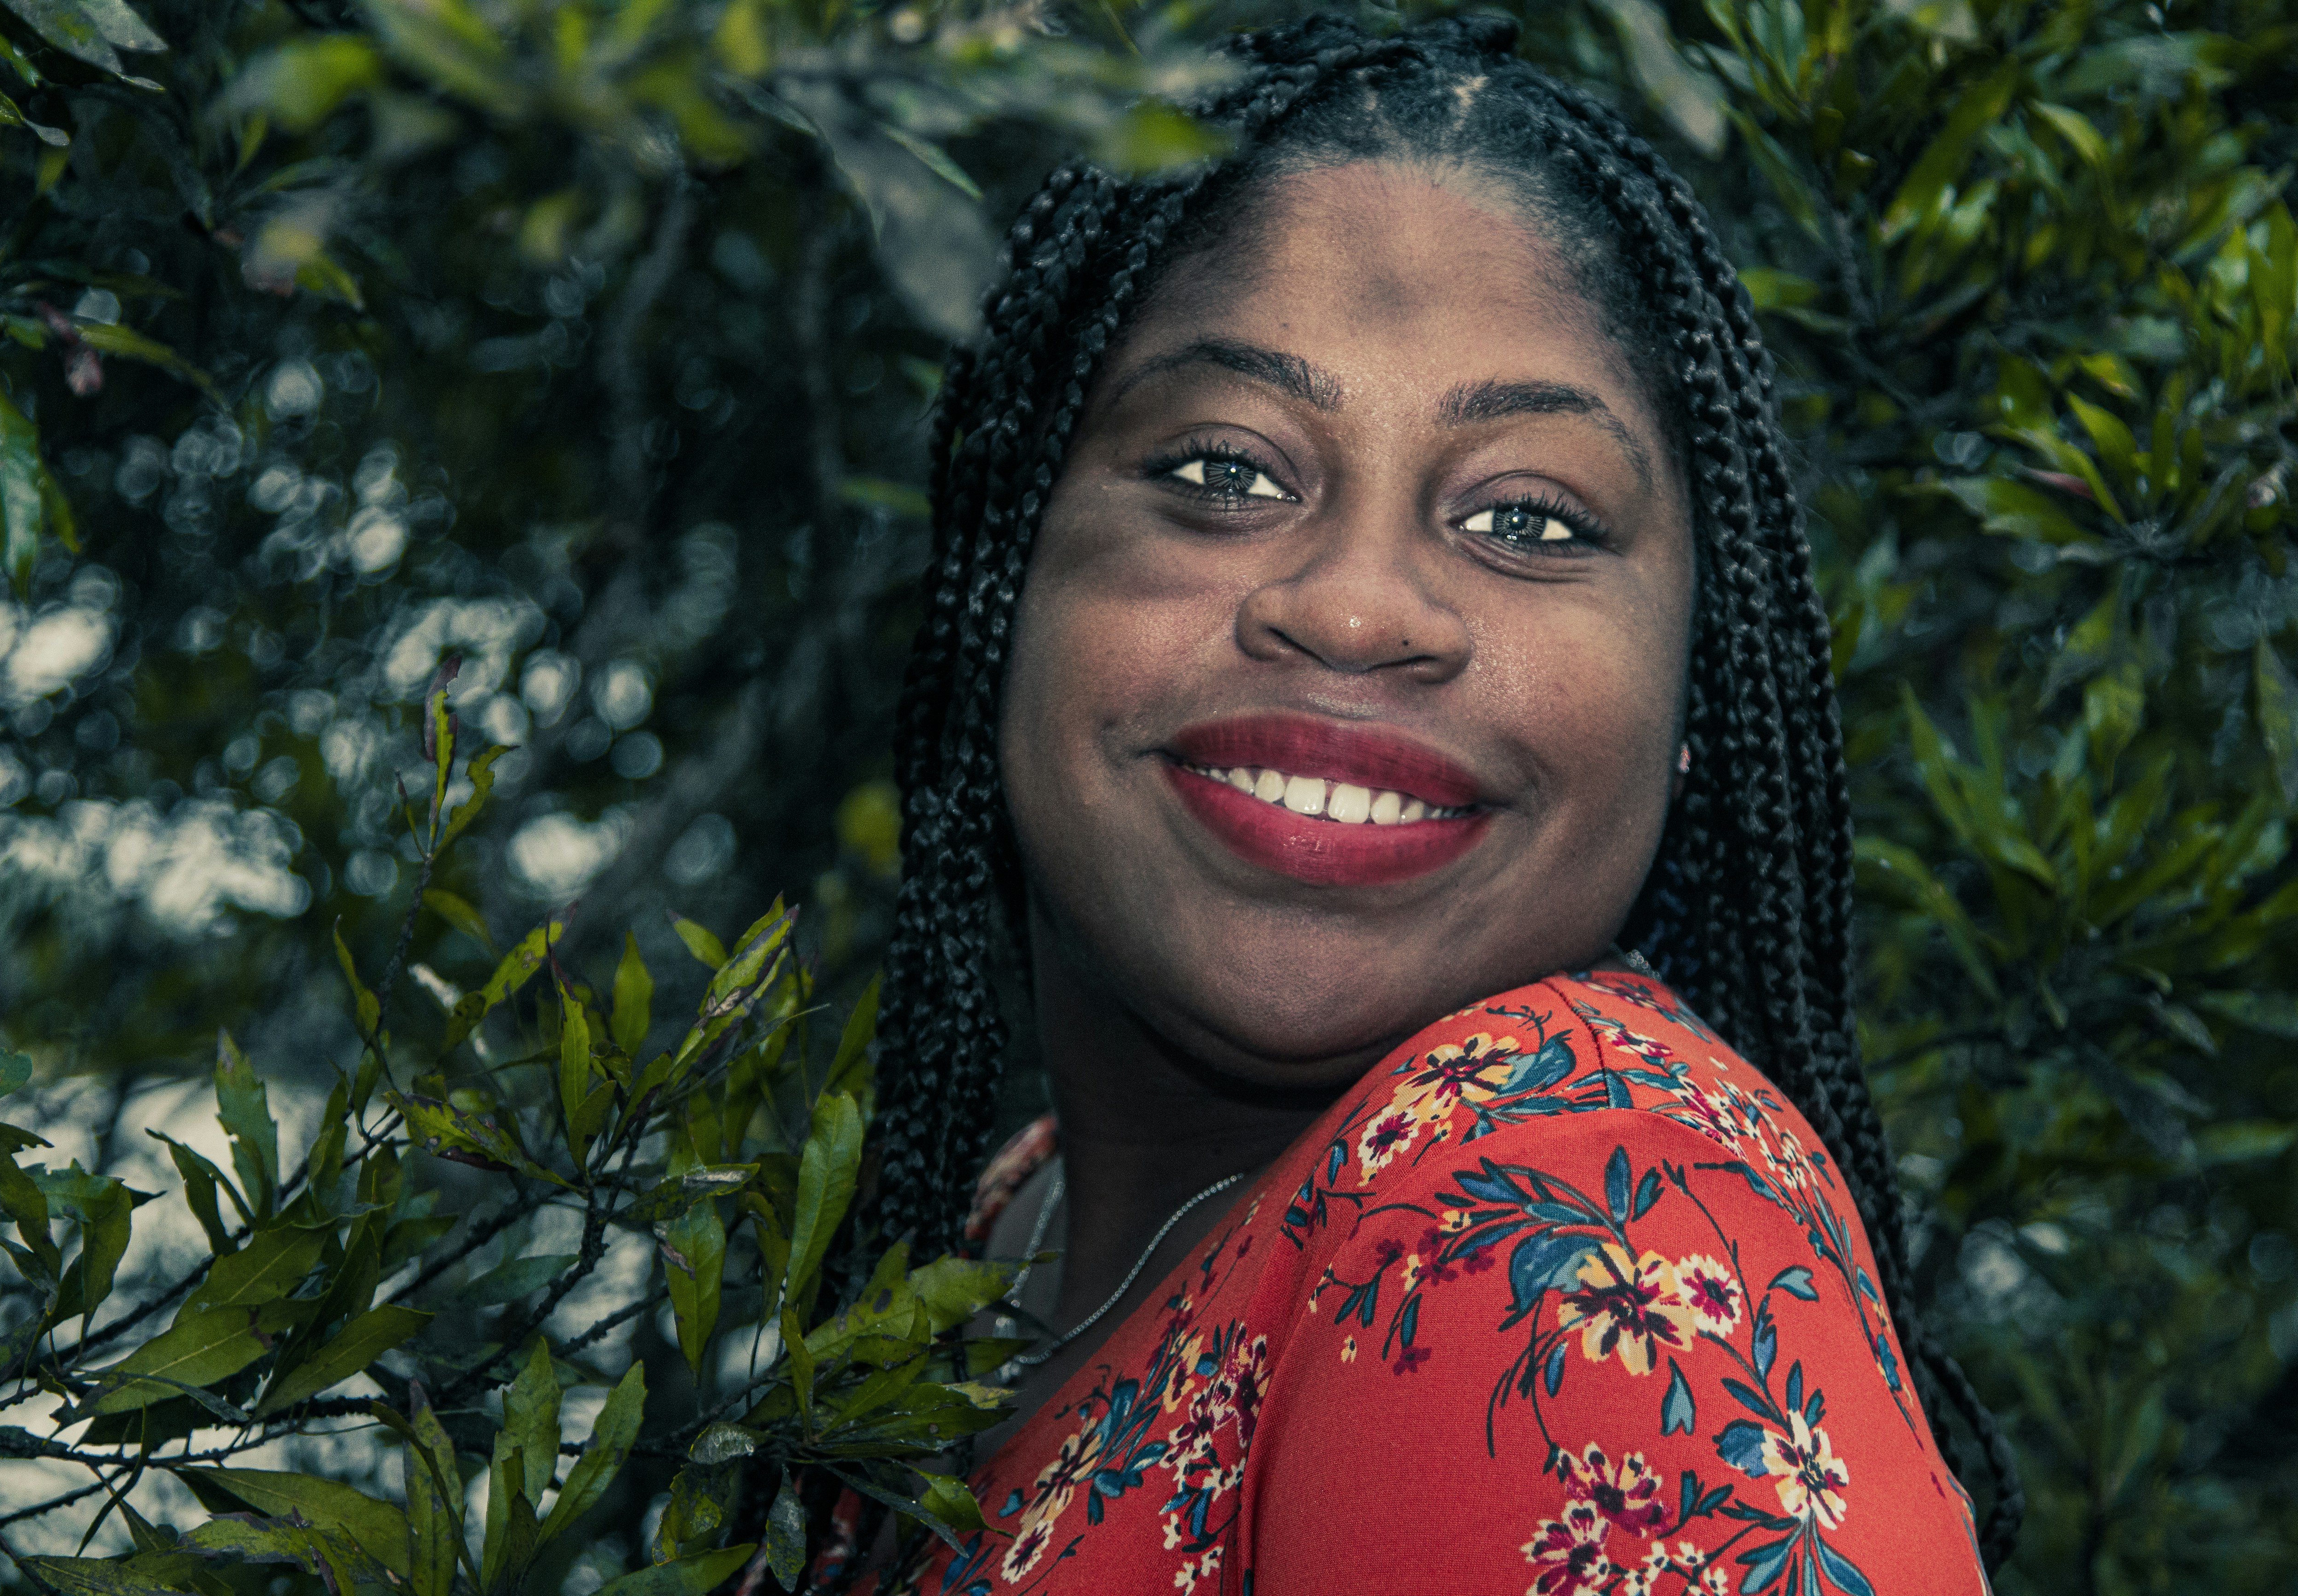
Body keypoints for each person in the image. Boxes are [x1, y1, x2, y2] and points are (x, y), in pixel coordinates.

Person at [843, 13, 2017, 1592]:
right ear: (1009, 581)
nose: (1353, 609)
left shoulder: (1562, 1207)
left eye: (1528, 517)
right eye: (1224, 472)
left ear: (1692, 713)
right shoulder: (1015, 1220)